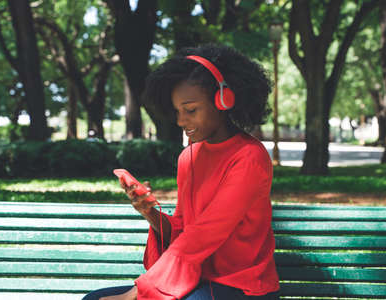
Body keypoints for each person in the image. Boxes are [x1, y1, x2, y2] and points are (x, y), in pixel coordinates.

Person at [82, 44, 280, 300]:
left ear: (223, 100)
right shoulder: (189, 157)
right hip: (196, 279)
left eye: (191, 110)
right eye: (177, 111)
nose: (180, 121)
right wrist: (150, 213)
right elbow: (184, 231)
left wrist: (137, 293)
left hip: (243, 286)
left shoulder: (250, 157)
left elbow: (204, 235)